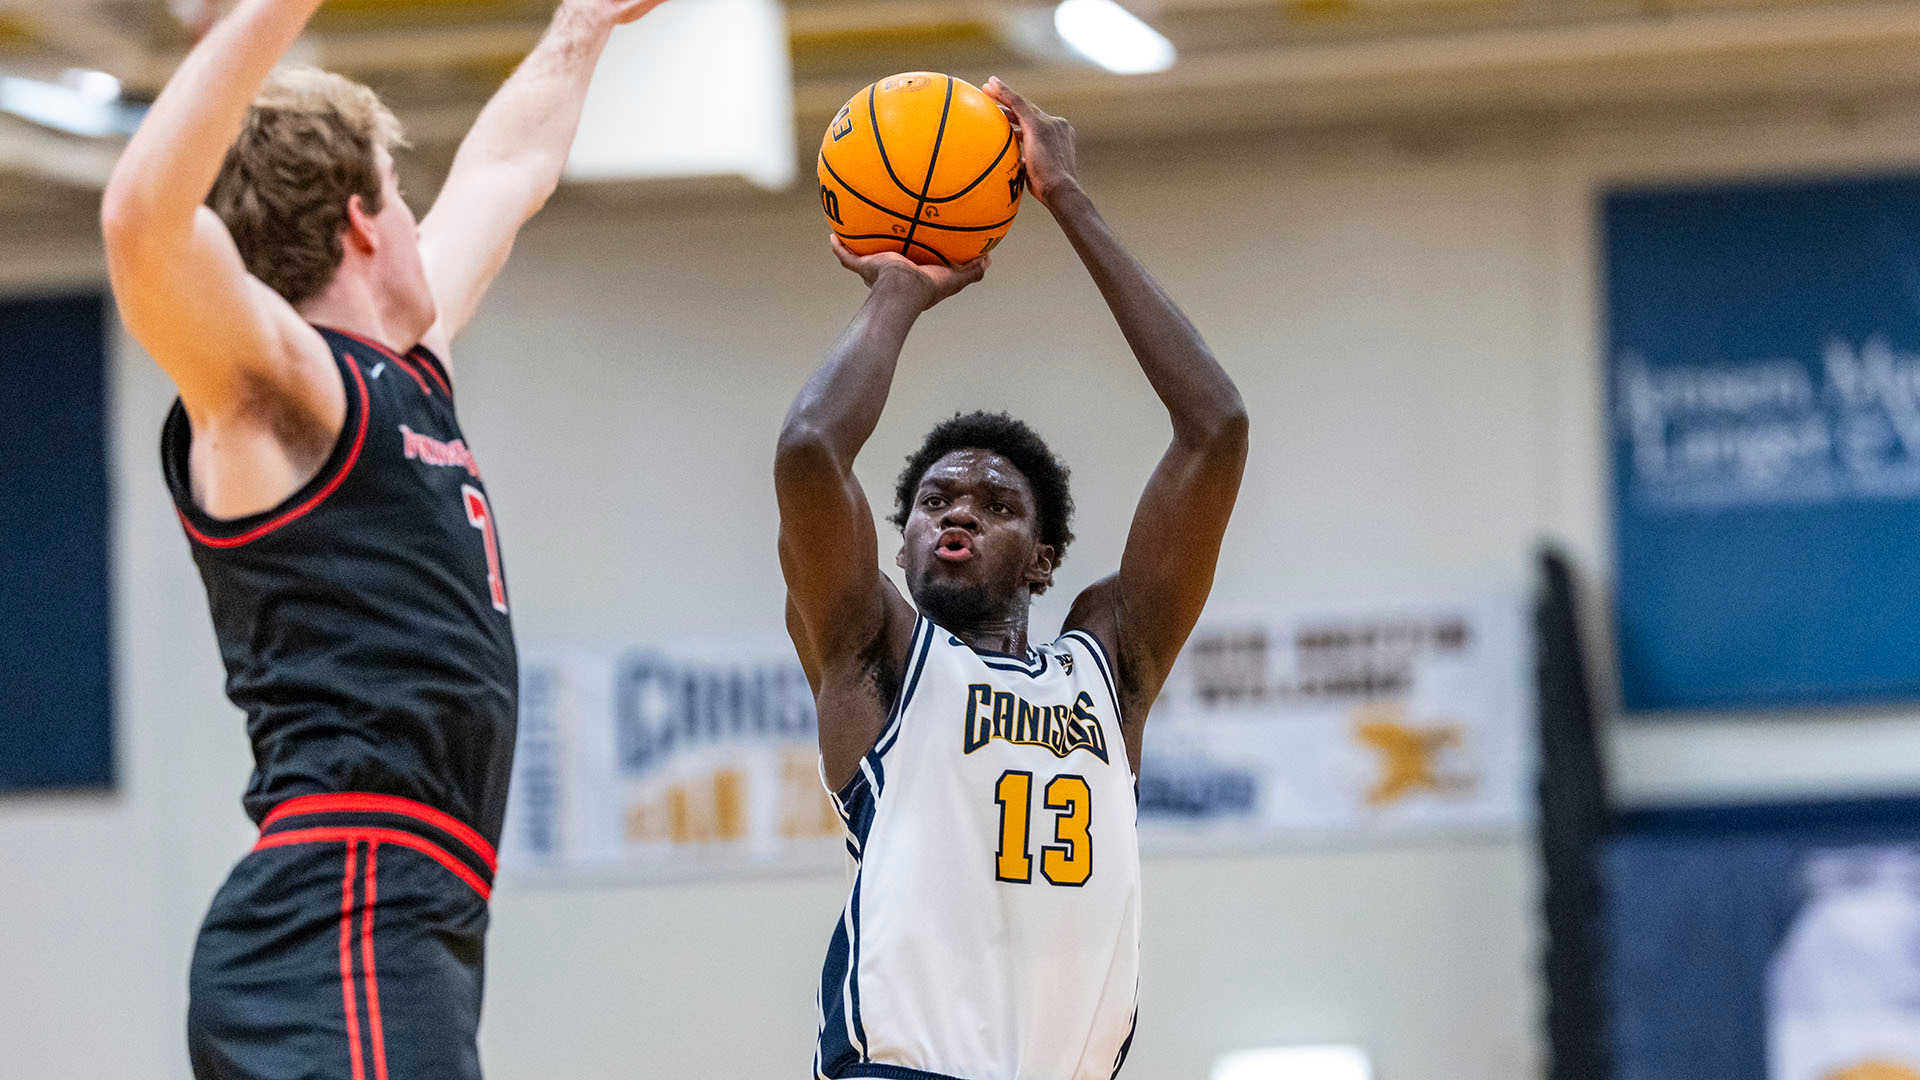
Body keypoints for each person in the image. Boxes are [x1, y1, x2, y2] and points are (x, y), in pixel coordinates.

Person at [99, 1, 668, 1076]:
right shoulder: (276, 386)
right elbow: (140, 218)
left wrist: (584, 23)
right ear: (364, 222)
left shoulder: (399, 372)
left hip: (396, 920)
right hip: (340, 915)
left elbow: (506, 173)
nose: (424, 218)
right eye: (405, 197)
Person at [776, 76, 1250, 1080]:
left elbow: (1217, 429)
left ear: (1042, 559)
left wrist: (1068, 200)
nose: (958, 510)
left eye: (995, 505)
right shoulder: (875, 655)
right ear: (899, 544)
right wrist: (900, 291)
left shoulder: (1107, 666)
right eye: (937, 501)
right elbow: (812, 451)